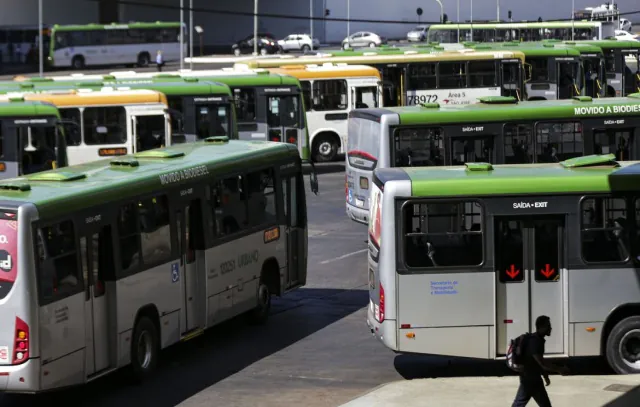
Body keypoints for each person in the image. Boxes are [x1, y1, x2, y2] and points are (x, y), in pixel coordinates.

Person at [512, 315, 569, 407]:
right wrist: (559, 369)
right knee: (520, 403)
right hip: (530, 379)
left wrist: (545, 375)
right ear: (541, 327)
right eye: (548, 326)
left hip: (532, 378)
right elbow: (541, 362)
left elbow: (537, 362)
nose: (550, 328)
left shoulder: (538, 339)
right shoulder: (535, 341)